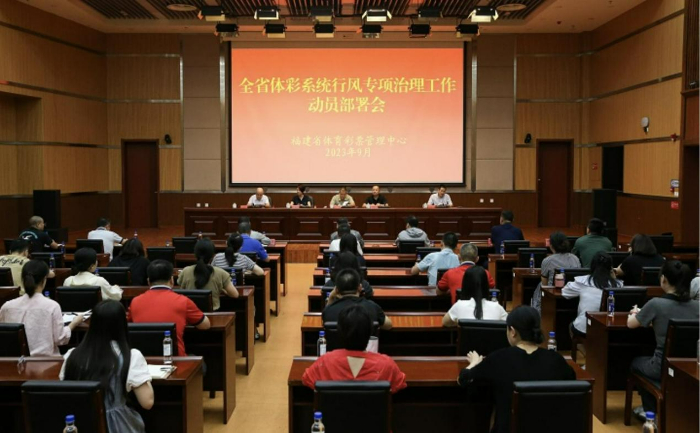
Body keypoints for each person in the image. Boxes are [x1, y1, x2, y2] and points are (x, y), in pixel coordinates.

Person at [458, 306, 575, 433]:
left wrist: (473, 363)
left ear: (512, 331)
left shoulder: (498, 358)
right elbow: (572, 380)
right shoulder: (556, 360)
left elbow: (463, 379)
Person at [61, 301, 153, 433]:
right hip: (119, 425)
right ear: (122, 324)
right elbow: (147, 402)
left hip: (80, 424)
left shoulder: (72, 355)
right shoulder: (131, 356)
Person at [627, 260, 699, 420]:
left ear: (663, 279)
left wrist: (635, 313)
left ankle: (650, 411)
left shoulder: (656, 304)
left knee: (636, 362)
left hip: (661, 367)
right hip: (692, 368)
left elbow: (631, 324)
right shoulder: (698, 306)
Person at [302, 305, 406, 393]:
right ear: (370, 332)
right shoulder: (387, 365)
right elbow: (400, 383)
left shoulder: (324, 362)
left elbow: (306, 379)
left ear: (339, 333)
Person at [0, 260, 84, 356]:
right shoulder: (52, 306)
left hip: (14, 361)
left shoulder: (7, 306)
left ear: (23, 280)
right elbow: (60, 339)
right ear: (44, 280)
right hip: (46, 361)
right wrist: (73, 324)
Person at [128, 260, 210, 356]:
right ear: (172, 280)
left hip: (143, 361)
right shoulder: (183, 301)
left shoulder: (135, 302)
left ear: (148, 281)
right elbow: (205, 325)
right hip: (176, 361)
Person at [562, 252, 622, 336]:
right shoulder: (618, 285)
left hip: (584, 328)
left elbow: (564, 292)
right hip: (609, 331)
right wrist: (614, 278)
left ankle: (580, 345)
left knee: (571, 325)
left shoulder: (583, 281)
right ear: (610, 268)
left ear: (592, 266)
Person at [178, 239, 238, 311]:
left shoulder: (185, 271)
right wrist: (223, 290)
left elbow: (181, 292)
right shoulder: (221, 273)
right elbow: (235, 295)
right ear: (212, 255)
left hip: (190, 313)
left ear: (195, 254)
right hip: (213, 313)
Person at [324, 269, 392, 330]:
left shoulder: (329, 310)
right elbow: (388, 325)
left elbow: (325, 316)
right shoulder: (372, 306)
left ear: (336, 290)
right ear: (360, 287)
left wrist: (331, 297)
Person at [531, 232, 581, 311]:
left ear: (551, 246)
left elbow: (544, 284)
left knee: (539, 286)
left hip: (552, 296)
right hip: (573, 296)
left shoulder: (548, 260)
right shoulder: (575, 258)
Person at [443, 266, 507, 326]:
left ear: (465, 285)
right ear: (486, 285)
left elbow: (445, 322)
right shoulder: (497, 307)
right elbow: (509, 325)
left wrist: (459, 322)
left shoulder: (459, 305)